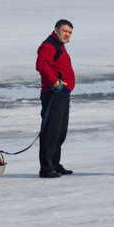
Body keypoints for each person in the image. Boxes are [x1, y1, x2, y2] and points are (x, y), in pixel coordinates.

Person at [35, 19, 75, 178]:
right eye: (65, 31)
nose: (67, 35)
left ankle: (55, 164)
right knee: (51, 132)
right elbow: (41, 65)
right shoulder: (49, 45)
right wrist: (55, 82)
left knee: (60, 132)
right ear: (56, 30)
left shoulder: (59, 46)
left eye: (70, 32)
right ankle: (46, 168)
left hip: (62, 95)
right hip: (53, 94)